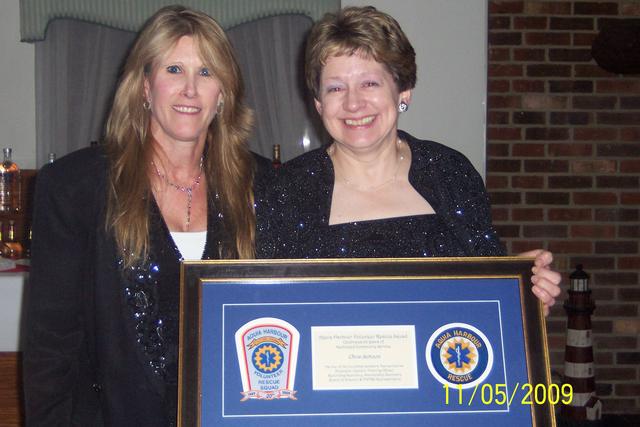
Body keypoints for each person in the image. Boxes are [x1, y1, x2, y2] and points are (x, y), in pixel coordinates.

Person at [23, 5, 267, 426]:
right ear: (143, 86)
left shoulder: (261, 186)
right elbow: (52, 349)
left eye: (206, 73)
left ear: (224, 93)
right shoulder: (74, 187)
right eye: (174, 69)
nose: (190, 90)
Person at [257, 6, 561, 312]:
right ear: (319, 104)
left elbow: (485, 291)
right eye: (336, 88)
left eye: (370, 83)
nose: (353, 103)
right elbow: (267, 311)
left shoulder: (450, 172)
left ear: (403, 91)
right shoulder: (285, 191)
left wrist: (521, 289)